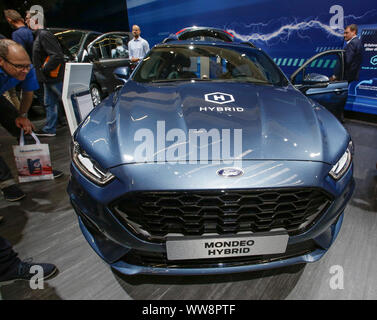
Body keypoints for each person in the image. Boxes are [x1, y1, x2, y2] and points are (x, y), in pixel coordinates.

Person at [0, 39, 63, 201]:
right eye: (19, 66)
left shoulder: (27, 69)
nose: (25, 71)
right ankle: (6, 184)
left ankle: (39, 167)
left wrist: (22, 116)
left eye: (27, 65)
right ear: (2, 61)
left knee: (25, 128)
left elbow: (28, 93)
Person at [27, 12, 65, 137]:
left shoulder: (44, 35)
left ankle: (84, 124)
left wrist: (44, 69)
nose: (26, 21)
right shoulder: (40, 35)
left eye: (27, 19)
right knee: (50, 102)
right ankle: (49, 129)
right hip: (48, 78)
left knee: (67, 100)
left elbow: (56, 55)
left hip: (53, 77)